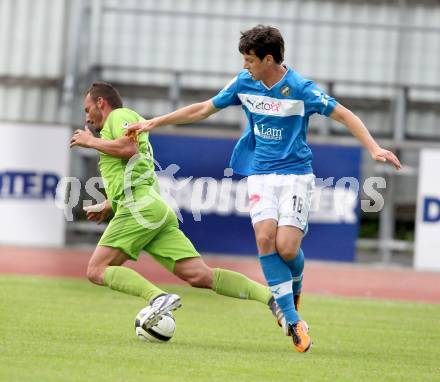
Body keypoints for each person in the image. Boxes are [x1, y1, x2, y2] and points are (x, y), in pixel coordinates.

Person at [127, 25, 402, 352]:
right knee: (264, 237)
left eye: (250, 60)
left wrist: (373, 148)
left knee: (287, 248)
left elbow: (344, 114)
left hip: (297, 176)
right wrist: (153, 122)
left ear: (268, 59)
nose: (245, 66)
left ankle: (295, 284)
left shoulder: (300, 88)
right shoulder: (243, 82)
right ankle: (292, 320)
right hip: (260, 175)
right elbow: (204, 108)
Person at [69, 82, 284, 334]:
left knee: (96, 270)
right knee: (199, 276)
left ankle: (157, 298)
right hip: (153, 208)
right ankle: (271, 298)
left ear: (101, 103)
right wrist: (109, 203)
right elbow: (136, 170)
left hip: (139, 208)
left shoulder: (119, 116)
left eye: (87, 109)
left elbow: (129, 149)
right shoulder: (124, 123)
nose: (86, 117)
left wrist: (89, 142)